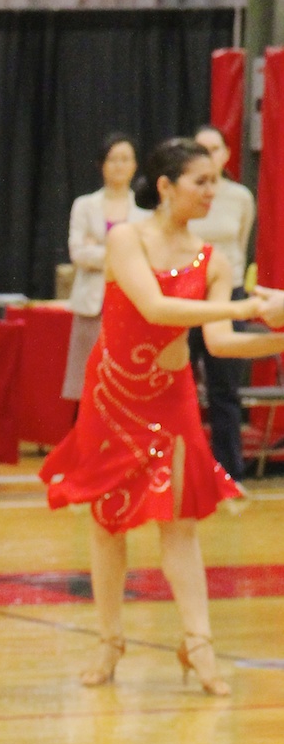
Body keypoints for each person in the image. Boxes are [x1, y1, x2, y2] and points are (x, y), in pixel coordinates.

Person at [41, 136, 284, 695]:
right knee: (107, 521)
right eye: (201, 182)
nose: (211, 191)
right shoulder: (126, 238)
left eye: (215, 181)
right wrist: (252, 305)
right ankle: (110, 641)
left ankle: (198, 643)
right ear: (167, 186)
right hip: (112, 396)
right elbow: (155, 307)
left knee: (180, 523)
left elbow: (220, 342)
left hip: (171, 399)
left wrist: (278, 337)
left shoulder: (214, 259)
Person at [191, 123, 256, 481]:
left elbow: (240, 245)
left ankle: (228, 474)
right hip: (185, 297)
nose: (208, 156)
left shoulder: (240, 197)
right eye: (200, 149)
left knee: (225, 389)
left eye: (214, 149)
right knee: (179, 386)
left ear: (227, 154)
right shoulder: (184, 195)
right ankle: (180, 470)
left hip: (229, 297)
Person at [63, 133, 147, 402]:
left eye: (125, 159)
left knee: (126, 384)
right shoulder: (85, 205)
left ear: (135, 165)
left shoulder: (145, 211)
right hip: (92, 304)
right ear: (101, 164)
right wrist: (123, 253)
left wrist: (99, 247)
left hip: (132, 304)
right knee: (87, 384)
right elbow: (79, 253)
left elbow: (147, 256)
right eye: (113, 159)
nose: (119, 165)